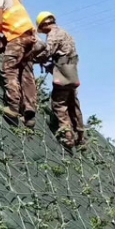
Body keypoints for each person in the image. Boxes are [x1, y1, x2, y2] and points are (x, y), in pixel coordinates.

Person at [0, 0, 38, 128]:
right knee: (27, 74)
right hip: (29, 37)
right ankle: (29, 112)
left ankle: (13, 107)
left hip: (17, 37)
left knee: (9, 69)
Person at [34, 11, 86, 148]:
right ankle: (81, 136)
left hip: (63, 73)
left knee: (59, 103)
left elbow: (48, 52)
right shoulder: (66, 34)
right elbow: (66, 54)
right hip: (73, 72)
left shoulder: (53, 34)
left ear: (45, 24)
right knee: (73, 103)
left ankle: (67, 136)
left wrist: (33, 59)